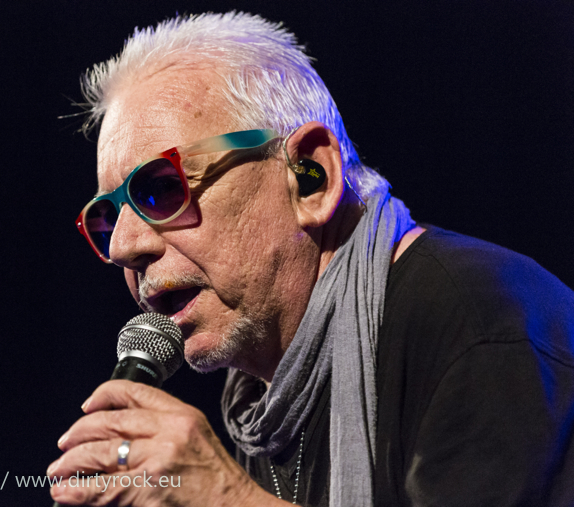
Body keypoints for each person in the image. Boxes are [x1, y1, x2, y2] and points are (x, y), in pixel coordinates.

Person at [48, 12, 574, 506]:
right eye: (107, 217)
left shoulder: (483, 324)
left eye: (161, 188)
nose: (123, 245)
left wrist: (225, 497)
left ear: (309, 177)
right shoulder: (260, 399)